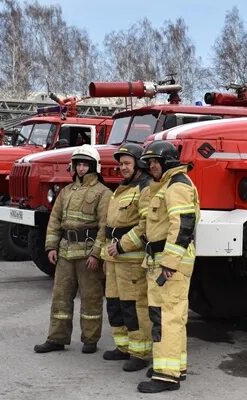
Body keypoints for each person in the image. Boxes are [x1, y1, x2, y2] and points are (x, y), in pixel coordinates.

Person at [112, 141, 199, 393]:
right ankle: (174, 367)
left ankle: (166, 376)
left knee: (166, 318)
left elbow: (182, 226)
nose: (151, 167)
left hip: (169, 263)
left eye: (154, 162)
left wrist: (170, 264)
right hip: (160, 260)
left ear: (167, 162)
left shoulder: (177, 185)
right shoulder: (164, 185)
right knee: (171, 316)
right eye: (148, 163)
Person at [33, 145, 112, 354]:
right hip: (65, 253)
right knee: (60, 297)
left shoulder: (103, 193)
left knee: (91, 298)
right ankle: (56, 338)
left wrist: (97, 254)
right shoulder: (66, 192)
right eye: (79, 164)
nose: (81, 168)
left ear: (94, 167)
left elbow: (105, 227)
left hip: (87, 256)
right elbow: (54, 220)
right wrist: (51, 246)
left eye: (86, 164)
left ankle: (90, 340)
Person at [100, 143, 153, 372]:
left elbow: (145, 226)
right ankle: (123, 347)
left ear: (139, 164)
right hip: (114, 260)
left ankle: (140, 353)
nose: (122, 168)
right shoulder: (121, 189)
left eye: (127, 163)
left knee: (134, 307)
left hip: (131, 261)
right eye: (120, 164)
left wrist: (121, 246)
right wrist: (106, 253)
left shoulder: (145, 189)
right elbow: (110, 225)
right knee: (115, 306)